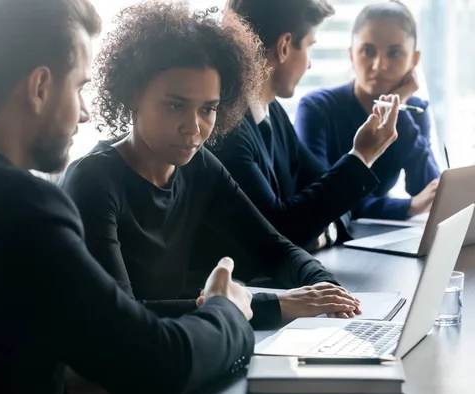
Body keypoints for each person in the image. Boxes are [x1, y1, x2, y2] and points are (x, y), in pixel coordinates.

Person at [0, 1, 258, 394]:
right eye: (78, 87)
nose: (86, 114)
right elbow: (156, 363)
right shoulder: (21, 209)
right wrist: (225, 310)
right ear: (40, 87)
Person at [60, 0, 364, 331]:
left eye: (208, 109)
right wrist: (277, 305)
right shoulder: (93, 182)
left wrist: (327, 288)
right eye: (175, 105)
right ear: (134, 95)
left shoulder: (198, 164)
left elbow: (272, 246)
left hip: (187, 351)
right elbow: (119, 321)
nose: (193, 128)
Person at [207, 0, 400, 251]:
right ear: (285, 46)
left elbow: (334, 202)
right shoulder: (229, 131)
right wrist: (362, 156)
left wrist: (323, 234)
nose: (309, 63)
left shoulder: (272, 112)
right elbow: (280, 233)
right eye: (309, 45)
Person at [296, 0, 440, 220]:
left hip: (376, 233)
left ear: (414, 59)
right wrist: (407, 207)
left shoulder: (415, 111)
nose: (379, 65)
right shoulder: (317, 109)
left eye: (394, 53)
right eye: (368, 51)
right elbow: (322, 199)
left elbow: (431, 192)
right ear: (352, 54)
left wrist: (397, 106)